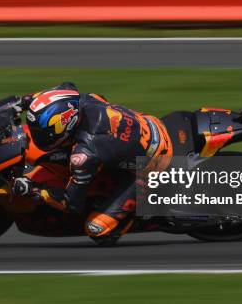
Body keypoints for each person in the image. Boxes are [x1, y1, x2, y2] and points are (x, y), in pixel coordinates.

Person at [13, 82, 172, 245]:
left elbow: (72, 203)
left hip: (154, 164)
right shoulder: (80, 99)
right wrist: (20, 103)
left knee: (96, 229)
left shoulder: (85, 153)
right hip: (149, 124)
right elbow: (60, 90)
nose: (36, 135)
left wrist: (34, 190)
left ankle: (137, 214)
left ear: (63, 126)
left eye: (42, 132)